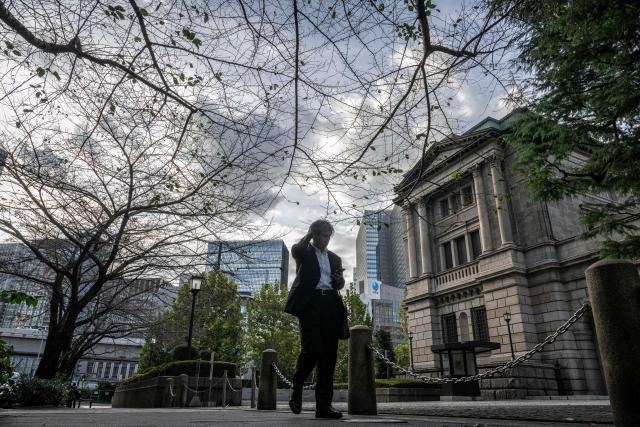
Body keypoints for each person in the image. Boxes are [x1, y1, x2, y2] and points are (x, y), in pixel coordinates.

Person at [284, 219, 347, 419]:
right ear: (314, 234)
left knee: (329, 357)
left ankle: (324, 406)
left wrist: (339, 281)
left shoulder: (335, 258)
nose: (325, 240)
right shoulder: (302, 251)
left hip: (330, 304)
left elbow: (339, 284)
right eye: (321, 235)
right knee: (312, 350)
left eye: (328, 236)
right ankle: (297, 385)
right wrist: (310, 234)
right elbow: (299, 247)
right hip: (309, 304)